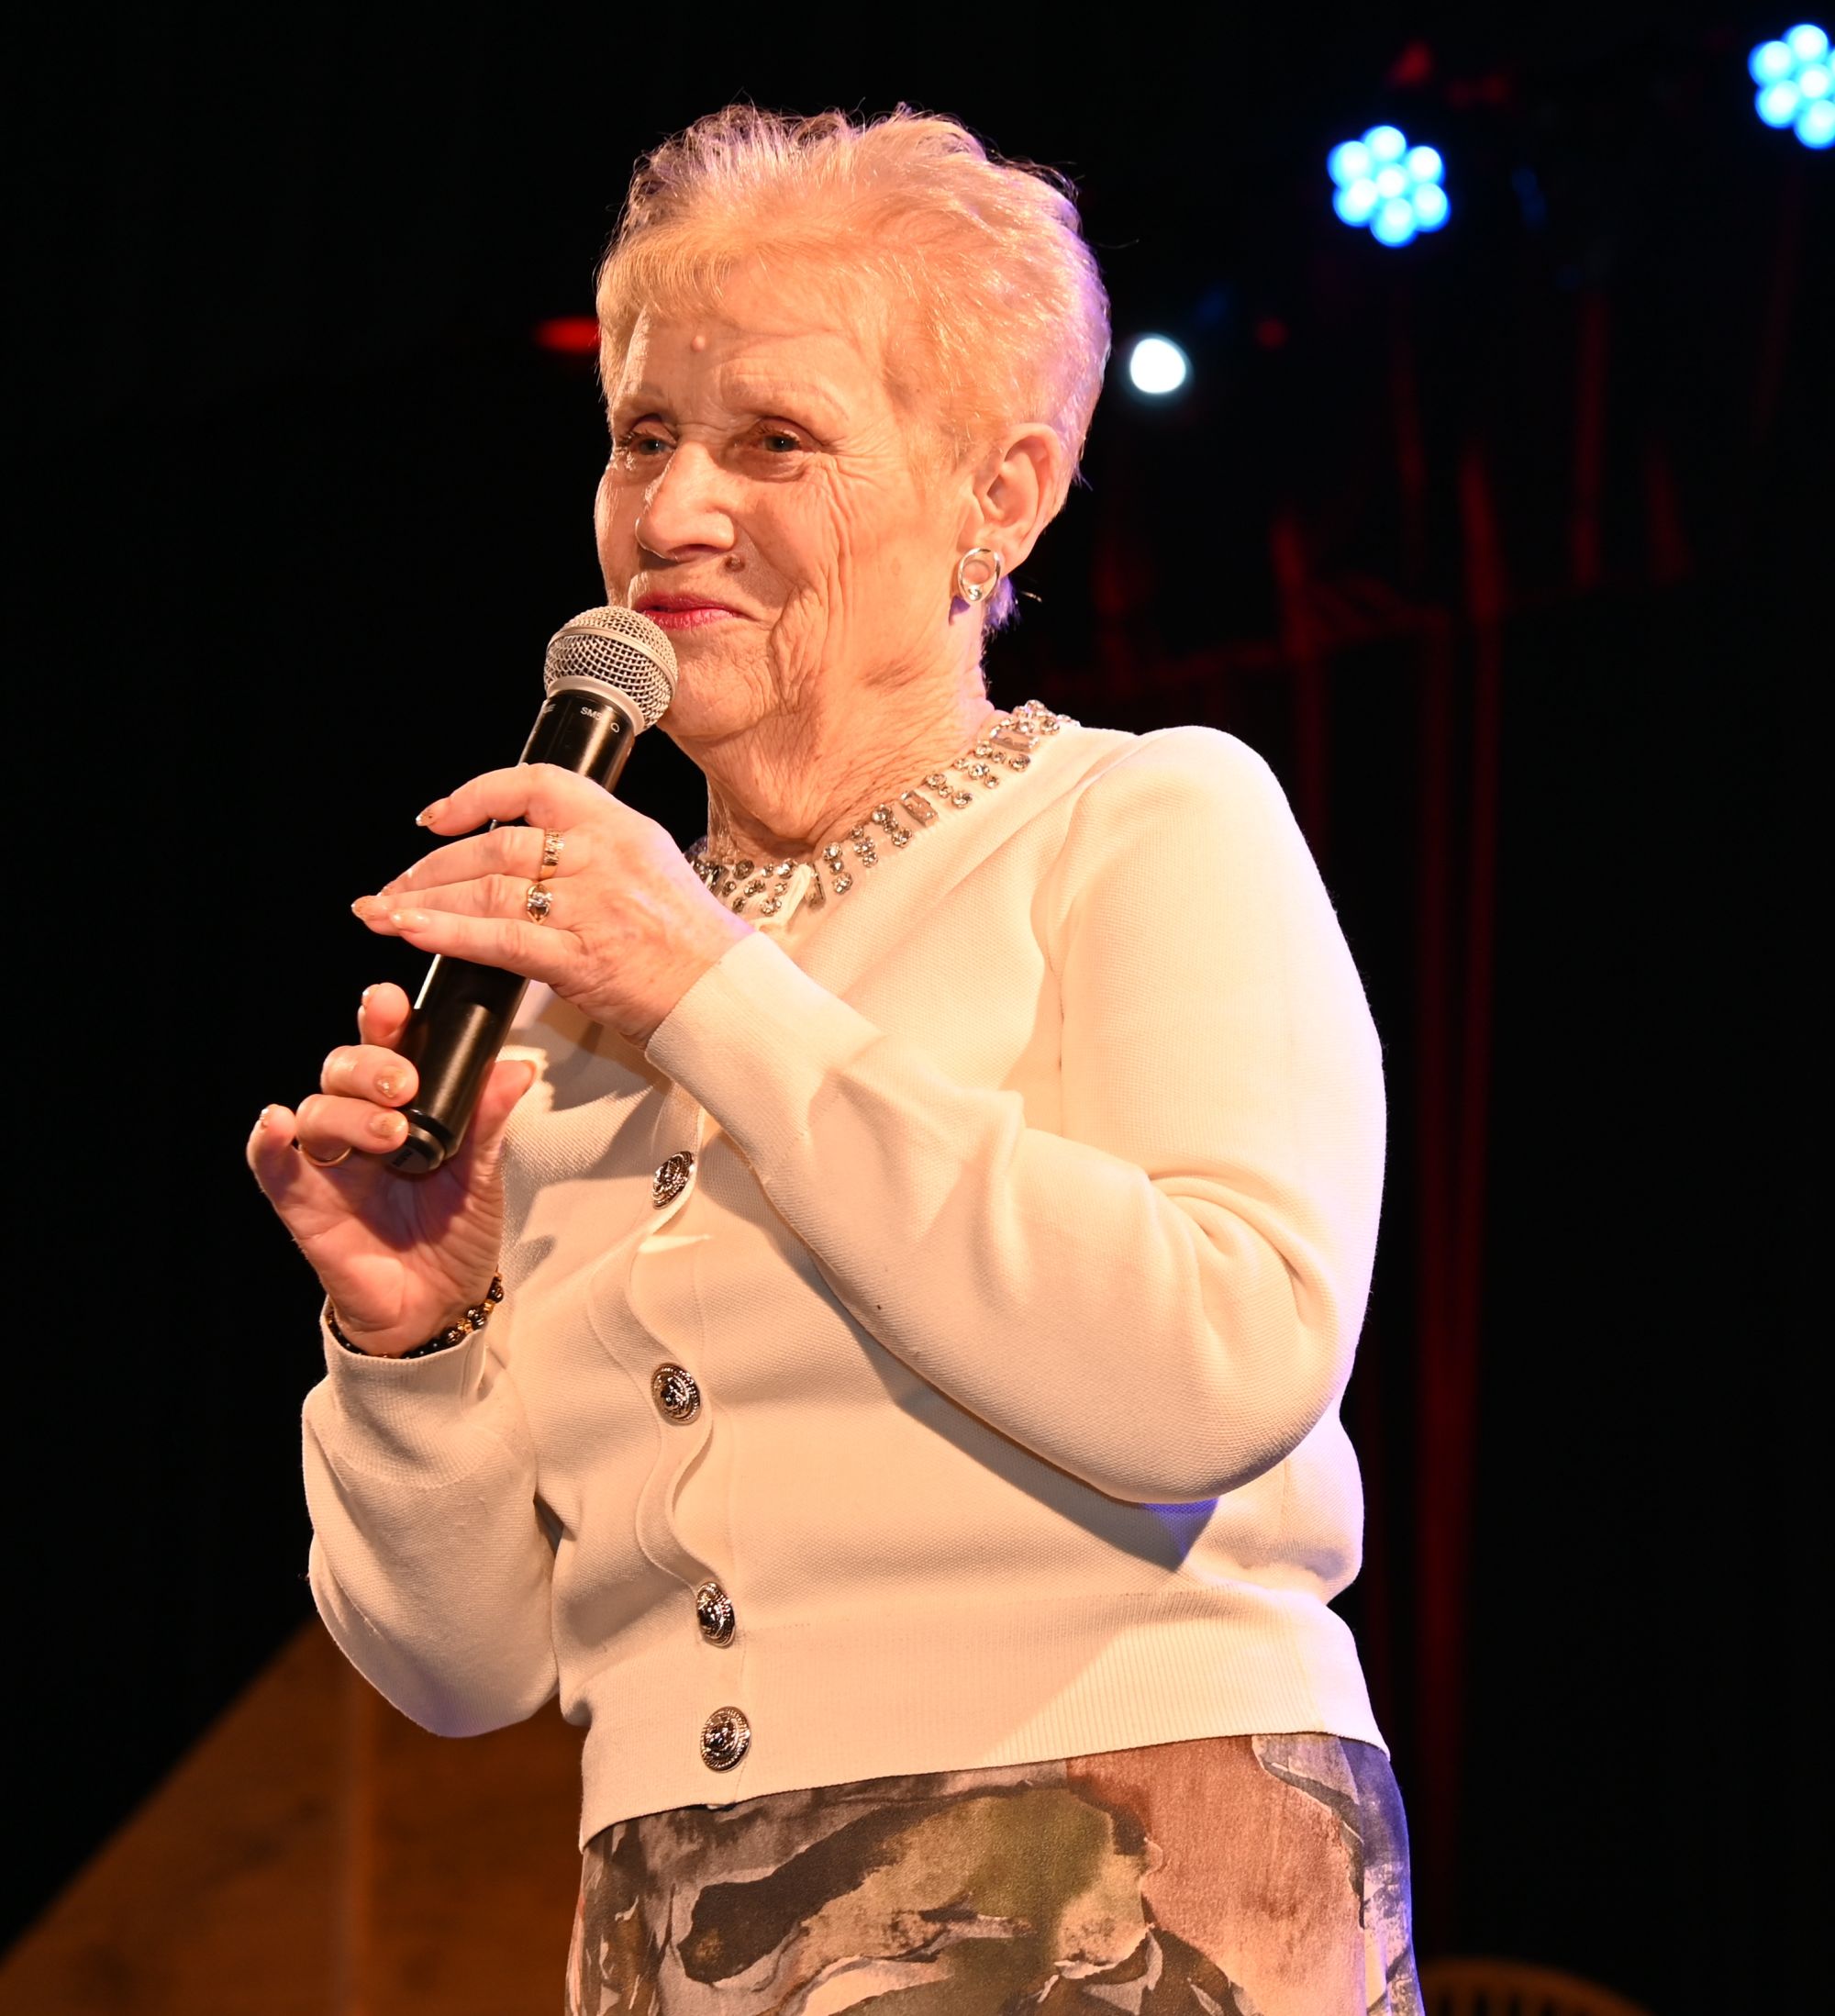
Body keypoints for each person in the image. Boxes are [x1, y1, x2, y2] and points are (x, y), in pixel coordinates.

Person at [249, 106, 1419, 2015]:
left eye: (773, 441)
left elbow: (1224, 1361)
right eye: (644, 435)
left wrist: (707, 985)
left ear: (1001, 495)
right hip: (676, 1917)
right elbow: (461, 1671)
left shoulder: (1144, 822)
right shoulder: (566, 999)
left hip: (1119, 1866)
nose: (672, 515)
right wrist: (411, 1342)